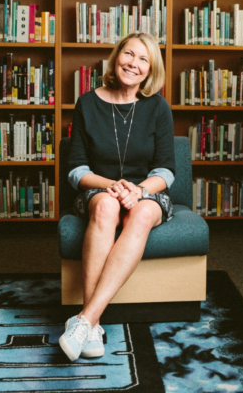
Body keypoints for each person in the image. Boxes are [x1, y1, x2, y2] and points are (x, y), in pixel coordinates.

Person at [58, 32, 175, 361]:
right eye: (129, 54)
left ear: (151, 70)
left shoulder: (158, 107)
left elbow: (166, 171)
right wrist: (114, 186)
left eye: (143, 60)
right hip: (100, 189)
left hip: (147, 192)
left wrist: (138, 190)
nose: (133, 64)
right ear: (116, 57)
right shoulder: (87, 102)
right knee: (108, 206)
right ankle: (92, 325)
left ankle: (86, 319)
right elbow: (76, 169)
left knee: (139, 213)